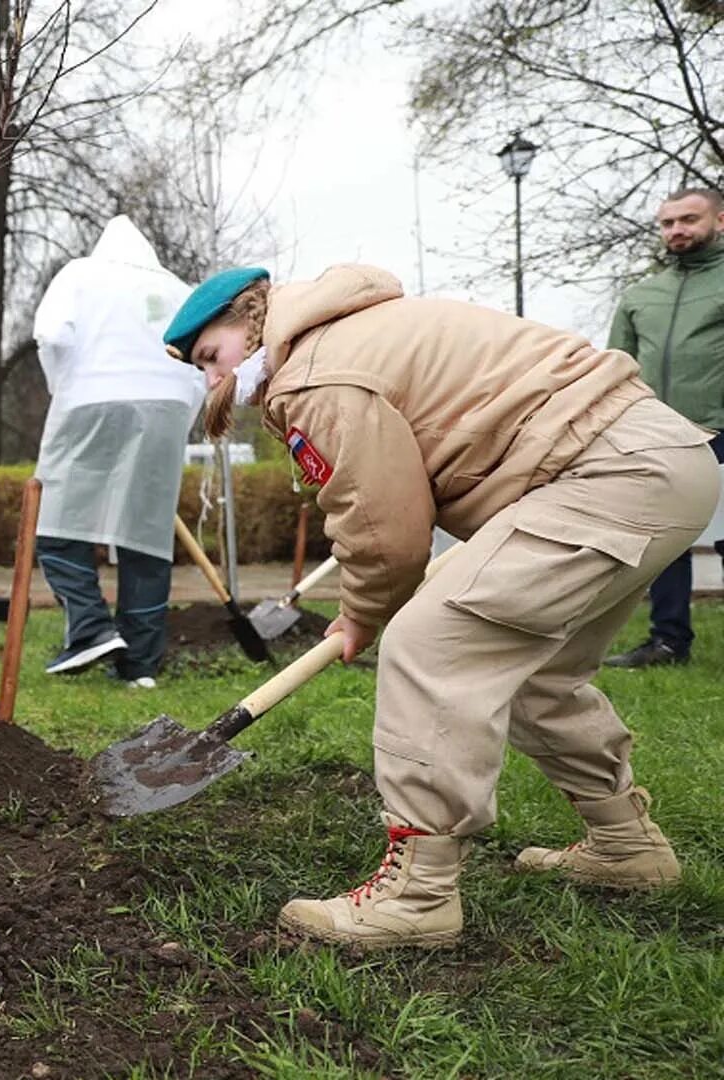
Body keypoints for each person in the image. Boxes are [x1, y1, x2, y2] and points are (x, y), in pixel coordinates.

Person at [166, 263, 714, 949]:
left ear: (248, 318)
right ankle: (626, 844)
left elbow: (384, 530)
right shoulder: (343, 335)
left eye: (211, 358)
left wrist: (365, 611)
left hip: (608, 473)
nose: (214, 381)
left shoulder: (315, 371)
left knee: (433, 643)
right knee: (538, 672)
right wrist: (369, 597)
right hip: (661, 463)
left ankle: (418, 895)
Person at [30, 216, 201, 685]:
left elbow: (52, 334)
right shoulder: (178, 288)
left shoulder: (80, 273)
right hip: (167, 408)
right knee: (145, 535)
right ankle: (139, 668)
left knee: (57, 521)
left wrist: (62, 390)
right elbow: (200, 365)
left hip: (91, 398)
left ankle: (89, 629)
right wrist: (175, 426)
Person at [603, 188, 724, 668]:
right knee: (666, 539)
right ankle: (668, 642)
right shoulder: (640, 296)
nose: (677, 231)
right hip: (664, 433)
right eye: (668, 223)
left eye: (689, 220)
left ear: (719, 220)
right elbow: (615, 368)